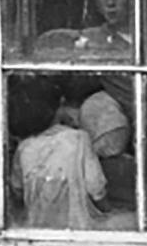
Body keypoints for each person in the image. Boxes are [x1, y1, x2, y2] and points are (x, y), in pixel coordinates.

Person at [10, 92, 110, 230]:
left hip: (36, 231)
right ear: (57, 110)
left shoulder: (24, 148)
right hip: (77, 229)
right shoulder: (78, 139)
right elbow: (96, 188)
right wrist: (108, 211)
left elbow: (17, 191)